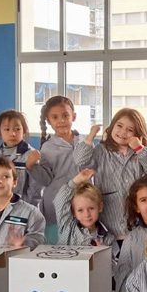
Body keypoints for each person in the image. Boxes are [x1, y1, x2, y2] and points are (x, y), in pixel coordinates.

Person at [73, 108, 147, 239]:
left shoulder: (141, 152)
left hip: (136, 223)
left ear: (137, 133)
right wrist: (91, 136)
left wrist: (139, 147)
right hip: (108, 222)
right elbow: (80, 160)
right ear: (112, 126)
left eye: (130, 130)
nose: (123, 132)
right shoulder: (101, 151)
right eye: (119, 126)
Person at [29, 95, 86, 236]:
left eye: (65, 115)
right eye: (55, 117)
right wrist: (31, 166)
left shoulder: (85, 141)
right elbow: (45, 179)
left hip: (84, 200)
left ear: (74, 116)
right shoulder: (47, 148)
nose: (61, 121)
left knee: (83, 240)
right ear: (48, 121)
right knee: (58, 242)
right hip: (56, 202)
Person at [53, 168, 119, 270]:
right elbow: (59, 201)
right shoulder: (67, 227)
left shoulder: (108, 238)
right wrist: (76, 181)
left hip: (92, 282)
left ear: (100, 207)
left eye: (91, 208)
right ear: (73, 212)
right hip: (65, 278)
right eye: (80, 210)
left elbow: (114, 271)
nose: (87, 214)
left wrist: (103, 256)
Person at [0, 109, 40, 204]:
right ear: (0, 132)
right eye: (7, 129)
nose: (12, 134)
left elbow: (36, 186)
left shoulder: (30, 154)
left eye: (17, 129)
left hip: (22, 207)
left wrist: (26, 207)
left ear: (24, 131)